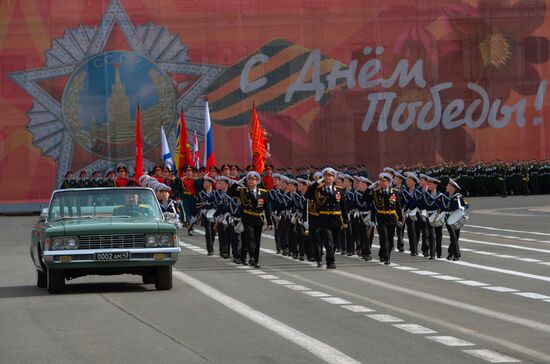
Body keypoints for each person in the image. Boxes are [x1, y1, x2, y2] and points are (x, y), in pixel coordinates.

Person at [304, 167, 348, 269]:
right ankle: (331, 262)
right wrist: (317, 182)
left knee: (334, 243)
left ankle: (330, 259)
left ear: (334, 178)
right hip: (324, 220)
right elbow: (307, 195)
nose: (328, 177)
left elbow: (343, 206)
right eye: (326, 176)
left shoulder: (339, 190)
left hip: (336, 219)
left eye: (330, 176)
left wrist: (346, 221)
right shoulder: (318, 190)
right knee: (328, 241)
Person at [228, 171, 273, 268]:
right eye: (249, 179)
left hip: (258, 219)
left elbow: (267, 208)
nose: (251, 181)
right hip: (247, 218)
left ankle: (256, 261)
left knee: (257, 241)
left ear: (257, 181)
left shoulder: (263, 193)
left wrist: (269, 222)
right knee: (250, 237)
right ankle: (251, 257)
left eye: (253, 179)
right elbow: (230, 192)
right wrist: (237, 183)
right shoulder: (242, 191)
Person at [371, 172, 403, 265]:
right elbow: (373, 207)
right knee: (384, 237)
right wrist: (373, 220)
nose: (381, 183)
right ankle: (386, 257)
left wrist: (400, 219)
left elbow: (398, 207)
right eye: (380, 181)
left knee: (390, 238)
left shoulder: (395, 192)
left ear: (388, 182)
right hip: (381, 217)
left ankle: (383, 253)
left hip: (392, 217)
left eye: (384, 181)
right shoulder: (376, 192)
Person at [443, 178, 469, 261]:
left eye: (448, 185)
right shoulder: (444, 196)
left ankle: (450, 253)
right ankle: (457, 255)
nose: (446, 186)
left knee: (455, 237)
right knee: (453, 236)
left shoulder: (459, 196)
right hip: (448, 218)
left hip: (457, 218)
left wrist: (462, 207)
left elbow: (467, 205)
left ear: (453, 188)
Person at [198, 174, 217, 256]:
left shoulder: (215, 193)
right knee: (208, 231)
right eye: (204, 182)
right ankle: (210, 249)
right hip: (205, 213)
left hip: (214, 213)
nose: (203, 184)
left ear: (210, 184)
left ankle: (211, 246)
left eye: (205, 183)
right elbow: (199, 204)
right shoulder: (201, 193)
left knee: (213, 231)